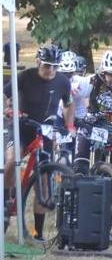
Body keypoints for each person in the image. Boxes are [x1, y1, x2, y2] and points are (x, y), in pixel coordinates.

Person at [3, 44, 74, 241]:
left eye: (54, 66)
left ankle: (38, 233)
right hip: (22, 126)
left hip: (46, 131)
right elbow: (4, 95)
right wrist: (8, 109)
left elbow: (69, 105)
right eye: (46, 65)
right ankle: (6, 199)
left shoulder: (62, 82)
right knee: (11, 160)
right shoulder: (25, 76)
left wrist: (69, 126)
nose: (50, 70)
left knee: (44, 180)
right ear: (37, 62)